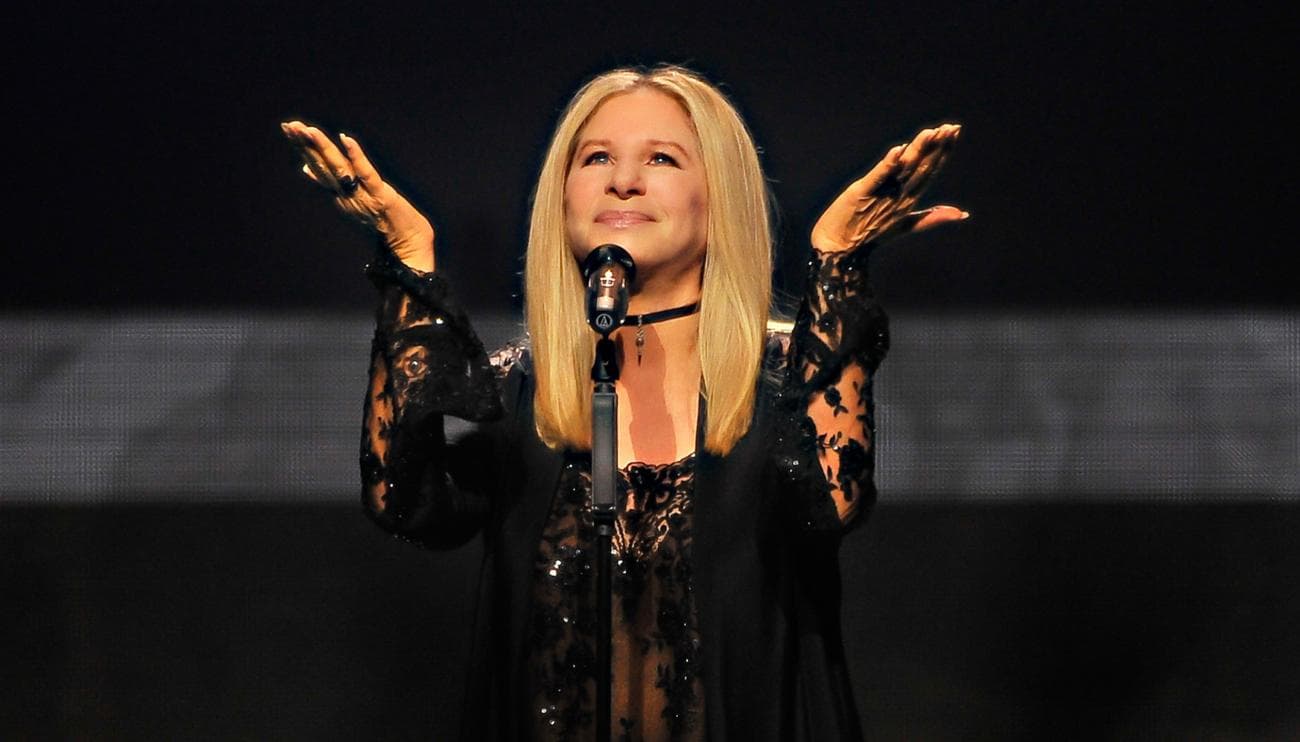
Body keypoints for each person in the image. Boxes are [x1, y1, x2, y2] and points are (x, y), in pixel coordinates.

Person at [282, 65, 963, 741]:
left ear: (718, 197)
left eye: (661, 158)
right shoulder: (520, 392)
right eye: (597, 156)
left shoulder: (789, 378)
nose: (623, 179)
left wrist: (836, 261)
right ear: (563, 196)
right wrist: (410, 263)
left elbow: (829, 506)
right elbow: (406, 502)